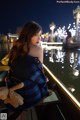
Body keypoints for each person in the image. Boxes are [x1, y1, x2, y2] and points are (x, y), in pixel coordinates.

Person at [1, 21, 49, 119]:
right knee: (45, 85)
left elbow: (11, 66)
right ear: (29, 34)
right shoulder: (38, 49)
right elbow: (40, 74)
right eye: (36, 35)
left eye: (40, 35)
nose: (39, 38)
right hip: (30, 95)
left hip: (14, 91)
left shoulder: (15, 47)